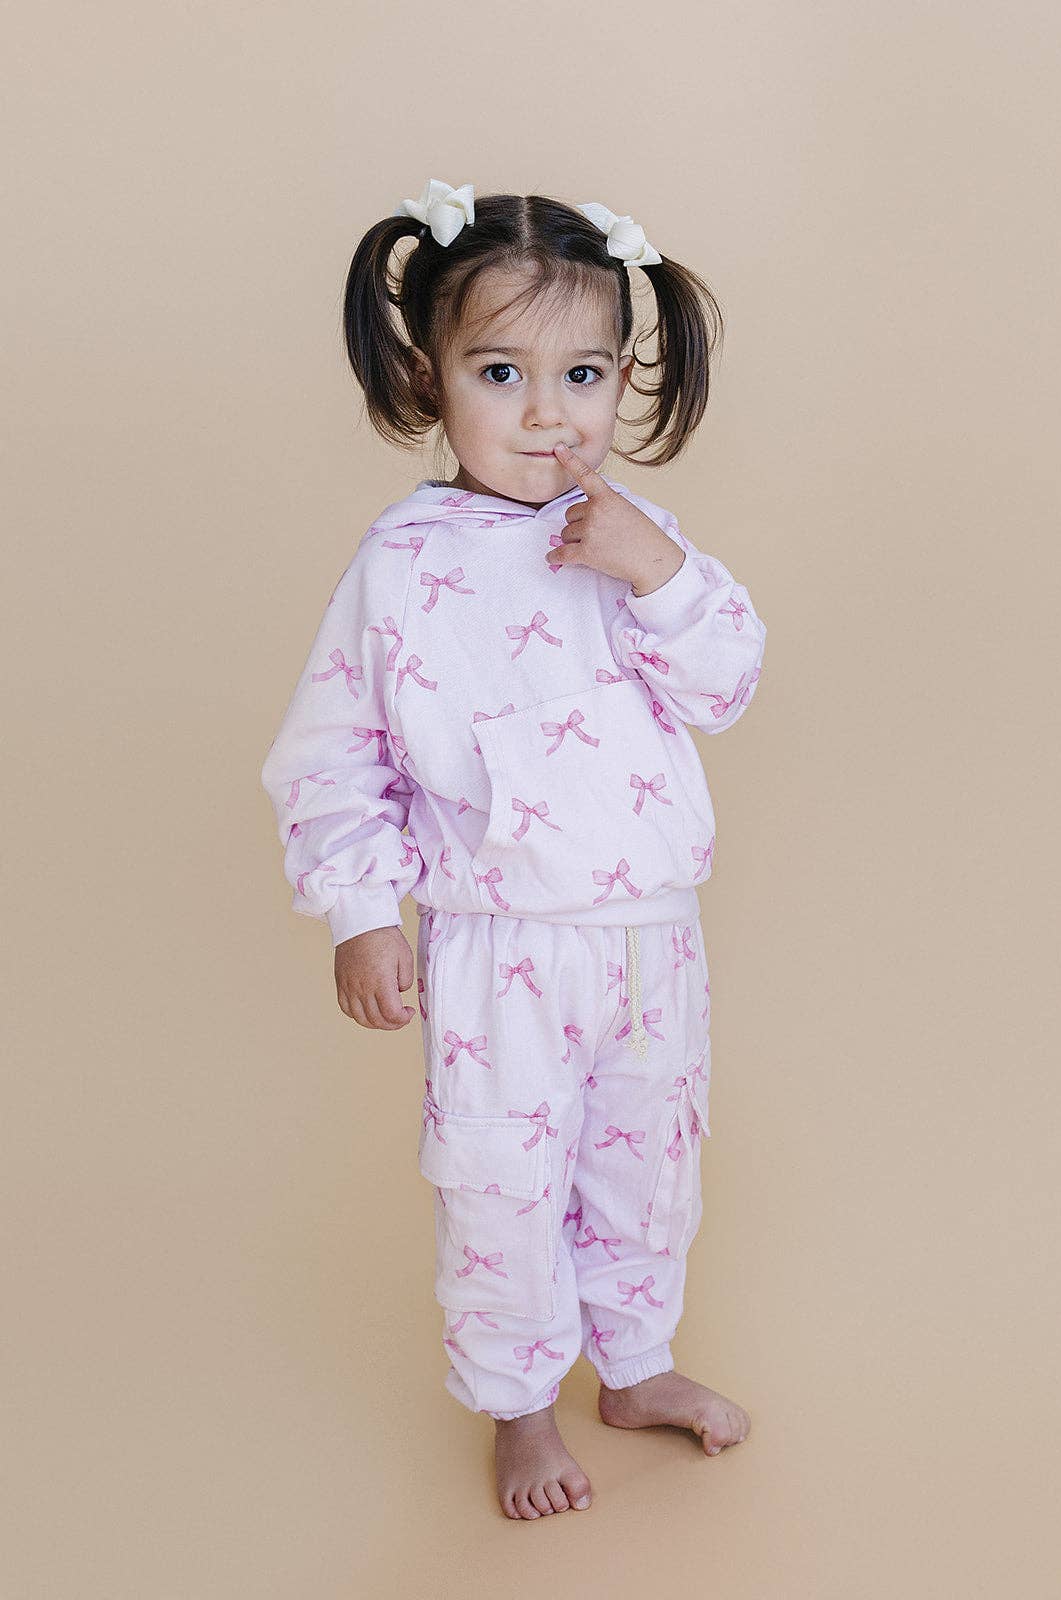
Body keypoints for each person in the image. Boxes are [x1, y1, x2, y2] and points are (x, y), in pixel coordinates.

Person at [260, 178, 766, 1520]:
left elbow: (726, 684)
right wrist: (361, 913)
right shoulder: (403, 563)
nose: (550, 413)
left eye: (583, 374)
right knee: (503, 1181)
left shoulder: (631, 538)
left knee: (649, 1164)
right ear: (429, 377)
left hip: (651, 936)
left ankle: (636, 1365)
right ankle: (520, 1406)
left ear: (624, 378)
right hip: (504, 948)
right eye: (502, 372)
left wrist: (658, 571)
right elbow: (335, 755)